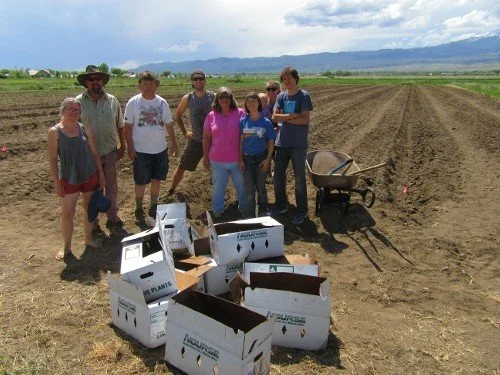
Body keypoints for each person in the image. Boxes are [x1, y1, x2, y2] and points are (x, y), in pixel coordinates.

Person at [48, 98, 105, 260]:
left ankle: (88, 240)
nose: (74, 112)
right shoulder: (54, 132)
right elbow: (52, 160)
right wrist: (57, 183)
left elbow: (95, 154)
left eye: (77, 110)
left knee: (88, 209)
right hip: (69, 177)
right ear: (63, 110)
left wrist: (101, 175)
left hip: (89, 175)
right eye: (71, 109)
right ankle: (66, 247)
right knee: (67, 213)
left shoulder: (84, 129)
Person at [124, 71, 178, 222]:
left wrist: (174, 142)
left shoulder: (162, 103)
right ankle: (139, 208)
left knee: (157, 179)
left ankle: (153, 205)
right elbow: (128, 127)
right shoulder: (133, 103)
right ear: (140, 85)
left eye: (151, 83)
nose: (148, 86)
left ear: (156, 86)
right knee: (140, 181)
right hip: (140, 151)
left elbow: (169, 124)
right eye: (145, 83)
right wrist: (130, 147)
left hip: (160, 149)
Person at [76, 65, 125, 228]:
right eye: (91, 79)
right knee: (92, 188)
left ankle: (112, 215)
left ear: (103, 82)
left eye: (98, 79)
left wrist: (123, 145)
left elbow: (120, 124)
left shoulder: (112, 101)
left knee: (111, 185)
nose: (95, 82)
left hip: (110, 151)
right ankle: (94, 221)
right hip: (88, 154)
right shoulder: (78, 102)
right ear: (86, 83)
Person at [271, 67, 314, 225]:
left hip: (298, 144)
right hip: (281, 143)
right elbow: (274, 117)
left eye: (289, 78)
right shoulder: (281, 96)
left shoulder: (303, 96)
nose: (287, 81)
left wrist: (285, 119)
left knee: (299, 179)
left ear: (296, 78)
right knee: (278, 177)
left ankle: (302, 210)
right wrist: (290, 116)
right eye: (284, 79)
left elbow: (304, 120)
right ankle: (281, 205)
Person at [167, 70, 215, 196]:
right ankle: (171, 190)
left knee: (219, 167)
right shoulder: (188, 98)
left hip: (214, 140)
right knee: (182, 166)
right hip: (196, 140)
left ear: (205, 81)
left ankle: (219, 193)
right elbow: (177, 115)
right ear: (192, 82)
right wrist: (185, 133)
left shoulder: (213, 96)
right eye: (195, 79)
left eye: (201, 78)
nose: (198, 81)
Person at [203, 87, 246, 218]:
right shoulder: (211, 116)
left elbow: (246, 134)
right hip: (217, 160)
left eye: (227, 97)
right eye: (221, 98)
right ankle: (217, 211)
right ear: (217, 100)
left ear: (231, 99)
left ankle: (244, 208)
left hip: (237, 159)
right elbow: (206, 137)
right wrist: (205, 157)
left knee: (242, 186)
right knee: (218, 187)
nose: (224, 100)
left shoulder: (240, 113)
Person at [239, 92, 276, 217]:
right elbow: (240, 142)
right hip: (247, 159)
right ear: (246, 104)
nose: (251, 104)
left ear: (258, 103)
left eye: (254, 101)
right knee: (249, 189)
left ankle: (263, 211)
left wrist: (267, 160)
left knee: (261, 188)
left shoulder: (266, 122)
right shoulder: (243, 121)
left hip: (261, 159)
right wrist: (240, 160)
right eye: (248, 102)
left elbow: (271, 143)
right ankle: (250, 216)